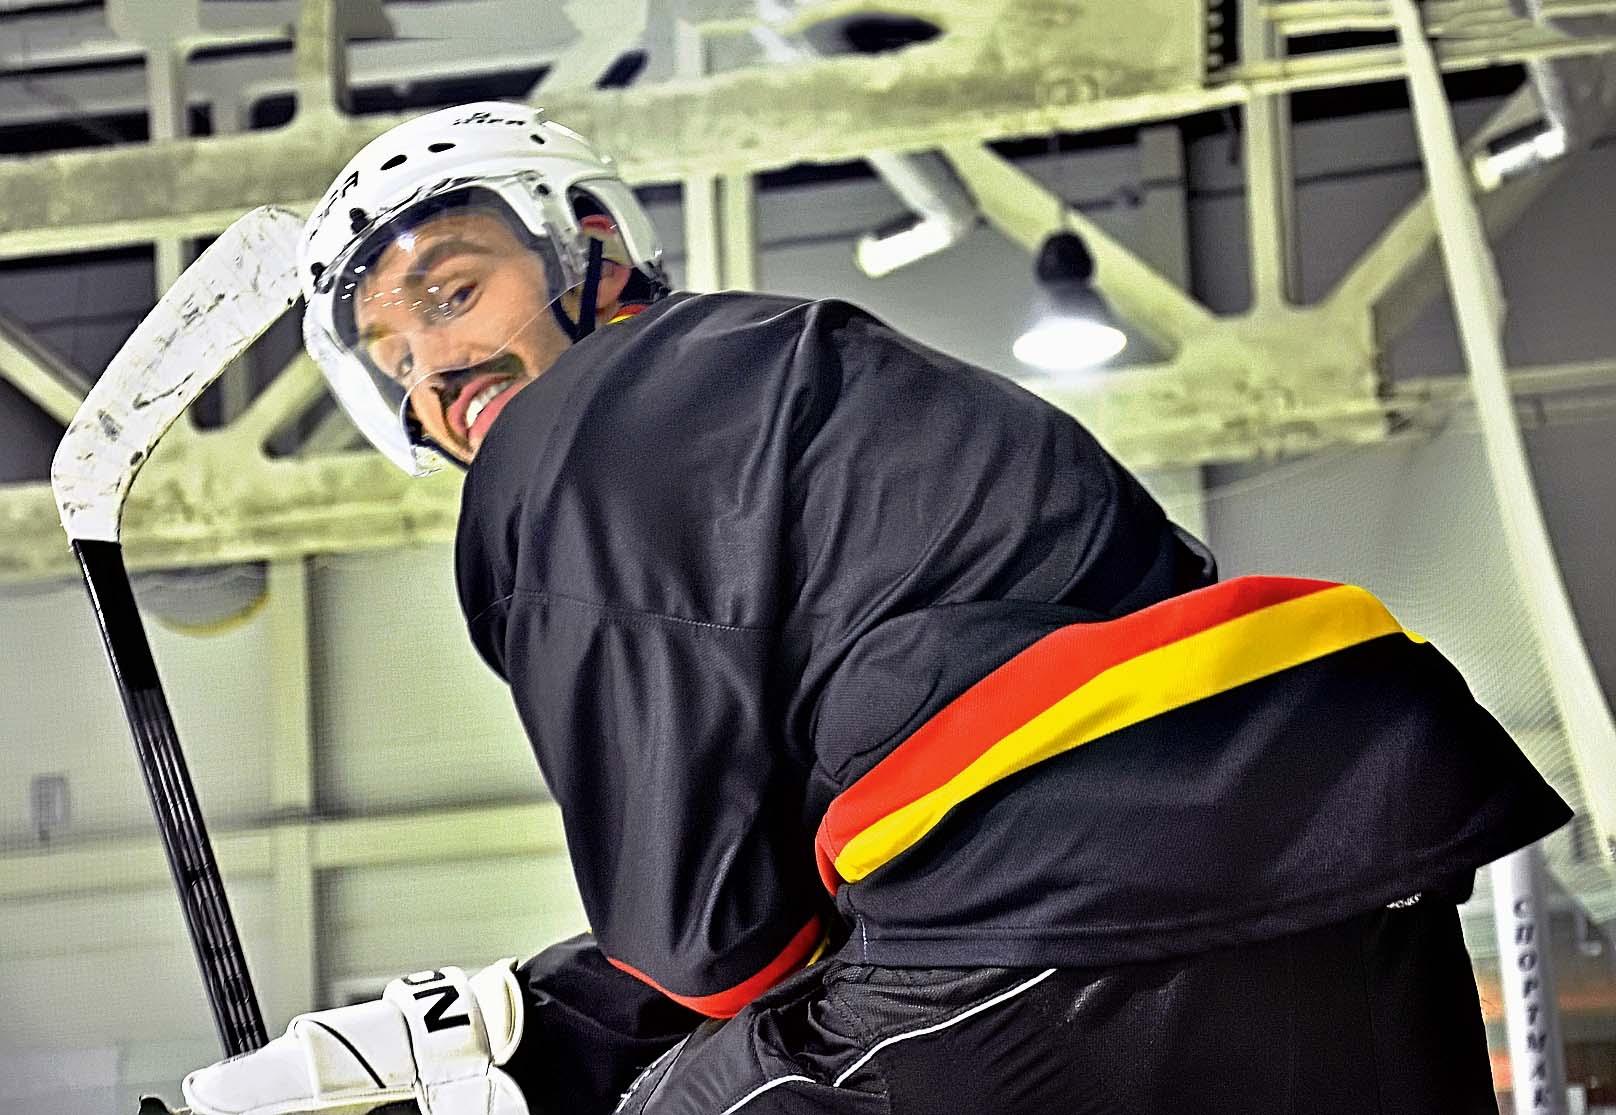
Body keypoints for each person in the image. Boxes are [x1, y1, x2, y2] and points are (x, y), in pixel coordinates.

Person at [183, 101, 1570, 1115]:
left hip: (1058, 913)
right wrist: (523, 1007)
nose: (432, 368)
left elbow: (724, 949)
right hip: (1349, 874)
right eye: (391, 356)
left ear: (589, 246)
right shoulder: (813, 370)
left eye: (454, 291)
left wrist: (535, 1060)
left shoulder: (561, 450)